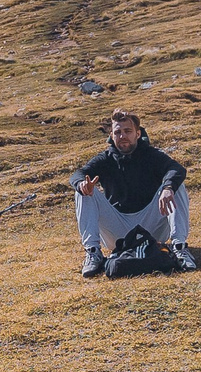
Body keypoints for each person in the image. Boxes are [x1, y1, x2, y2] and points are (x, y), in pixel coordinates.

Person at [73, 110, 194, 277]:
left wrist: (168, 188)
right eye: (118, 132)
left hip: (152, 225)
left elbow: (176, 169)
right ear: (112, 135)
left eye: (127, 131)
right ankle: (93, 253)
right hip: (118, 230)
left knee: (175, 185)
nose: (122, 136)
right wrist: (82, 184)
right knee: (83, 191)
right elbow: (78, 174)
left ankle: (180, 248)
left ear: (138, 133)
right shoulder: (105, 159)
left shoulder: (151, 155)